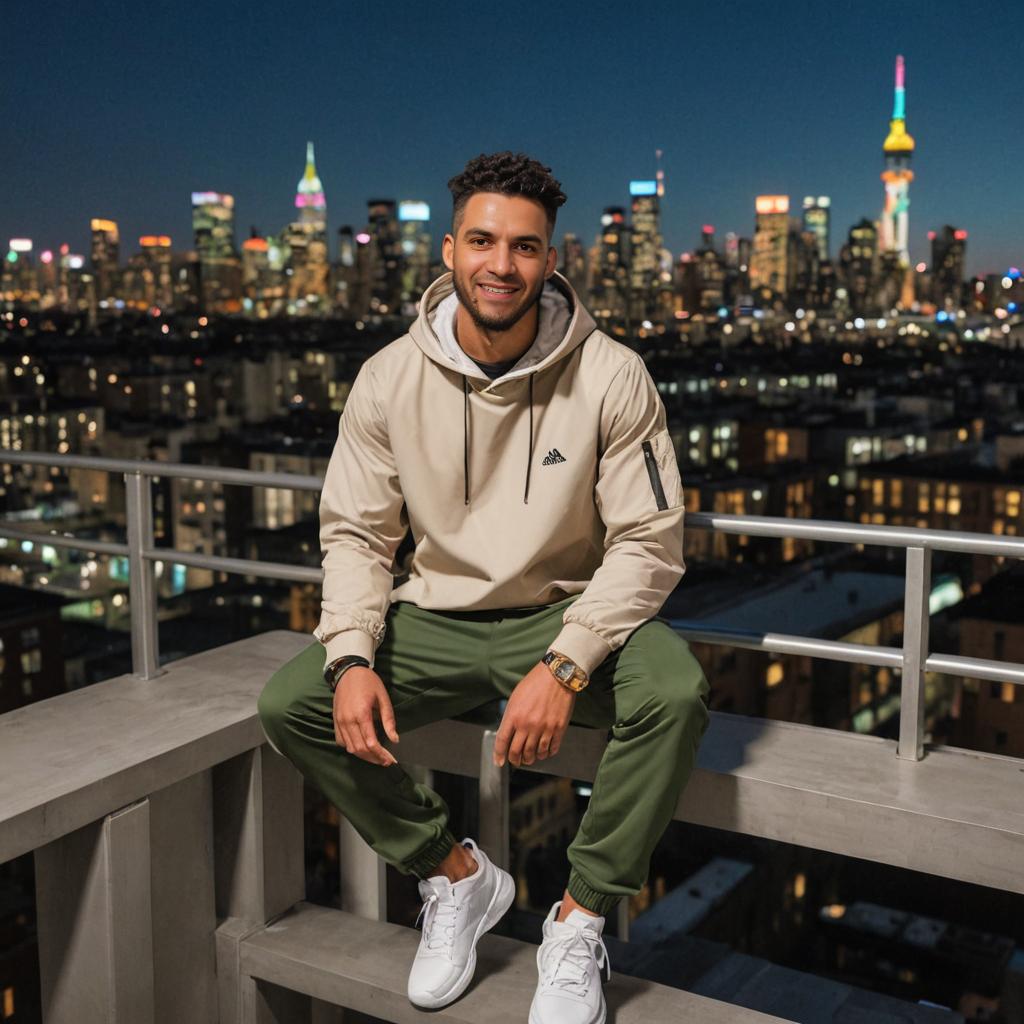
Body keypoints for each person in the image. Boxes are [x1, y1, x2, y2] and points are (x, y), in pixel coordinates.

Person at [257, 151, 711, 1024]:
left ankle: (577, 922)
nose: (502, 265)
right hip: (436, 617)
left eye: (525, 247)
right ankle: (453, 875)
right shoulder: (388, 377)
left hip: (570, 613)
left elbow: (650, 542)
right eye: (483, 241)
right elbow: (356, 534)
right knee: (294, 704)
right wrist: (352, 655)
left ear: (552, 258)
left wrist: (568, 663)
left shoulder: (613, 374)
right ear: (450, 249)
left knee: (677, 692)